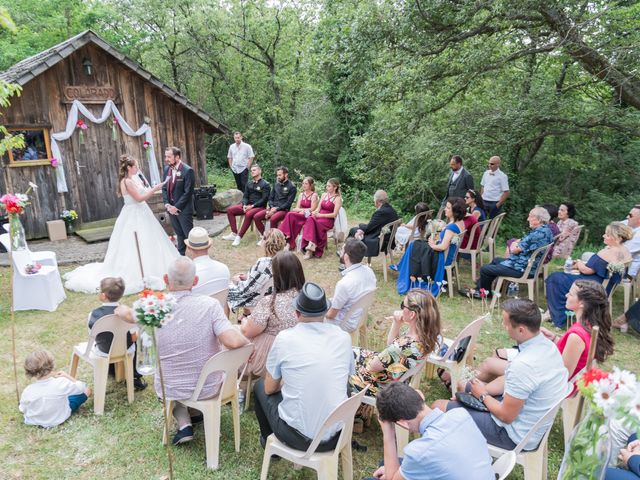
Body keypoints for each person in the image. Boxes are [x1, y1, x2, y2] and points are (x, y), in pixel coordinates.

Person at [432, 299, 569, 451]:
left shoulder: (523, 365)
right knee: (464, 386)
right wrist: (472, 393)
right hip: (527, 423)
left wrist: (482, 396)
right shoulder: (549, 347)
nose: (504, 327)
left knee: (438, 407)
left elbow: (506, 416)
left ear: (521, 330)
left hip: (512, 435)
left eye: (506, 323)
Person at [144, 257, 249, 445]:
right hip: (208, 387)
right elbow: (232, 341)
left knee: (170, 384)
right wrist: (247, 342)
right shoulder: (209, 305)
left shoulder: (154, 307)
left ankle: (184, 421)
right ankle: (193, 413)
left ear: (166, 279)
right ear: (195, 281)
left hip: (171, 387)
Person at [253, 282, 354, 452]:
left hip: (298, 438)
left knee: (260, 387)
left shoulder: (285, 338)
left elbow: (270, 389)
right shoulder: (343, 337)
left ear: (297, 313)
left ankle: (268, 440)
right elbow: (345, 377)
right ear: (324, 312)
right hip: (337, 435)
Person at [64, 155, 179, 294]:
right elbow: (139, 199)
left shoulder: (132, 180)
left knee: (148, 241)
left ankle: (152, 266)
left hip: (140, 213)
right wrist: (156, 188)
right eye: (135, 166)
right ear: (129, 168)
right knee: (135, 243)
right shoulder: (127, 182)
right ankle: (138, 271)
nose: (137, 168)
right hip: (135, 214)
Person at [474, 280, 614, 393]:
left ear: (581, 303)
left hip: (548, 379)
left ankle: (473, 388)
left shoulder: (577, 336)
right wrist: (555, 339)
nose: (566, 295)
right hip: (548, 367)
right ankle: (486, 388)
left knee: (489, 363)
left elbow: (562, 375)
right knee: (499, 354)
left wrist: (534, 363)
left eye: (571, 294)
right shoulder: (588, 326)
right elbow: (575, 354)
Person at [363, 382, 495, 480]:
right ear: (420, 396)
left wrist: (388, 433)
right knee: (389, 463)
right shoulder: (460, 414)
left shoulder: (419, 452)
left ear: (402, 423)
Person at [350, 289, 441, 397]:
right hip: (395, 381)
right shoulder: (425, 337)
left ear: (412, 314)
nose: (401, 308)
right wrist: (396, 323)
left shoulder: (404, 345)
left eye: (403, 305)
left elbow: (372, 367)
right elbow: (392, 348)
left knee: (339, 364)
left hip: (377, 385)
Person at [545, 222, 633, 328]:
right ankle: (561, 312)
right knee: (561, 277)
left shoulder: (607, 253)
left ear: (618, 238)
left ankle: (559, 318)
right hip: (606, 287)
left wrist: (578, 262)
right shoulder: (626, 251)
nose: (603, 236)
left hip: (592, 286)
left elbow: (586, 270)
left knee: (555, 278)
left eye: (607, 235)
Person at [463, 206, 554, 299]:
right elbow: (523, 242)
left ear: (538, 220)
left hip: (521, 269)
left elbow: (514, 250)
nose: (527, 219)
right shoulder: (546, 230)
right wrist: (517, 243)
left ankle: (484, 294)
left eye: (530, 216)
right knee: (496, 260)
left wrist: (514, 243)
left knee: (485, 269)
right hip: (527, 266)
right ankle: (480, 289)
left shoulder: (537, 234)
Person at [240, 251, 304, 377]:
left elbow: (249, 331)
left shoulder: (270, 302)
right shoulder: (307, 298)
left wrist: (244, 321)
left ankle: (237, 387)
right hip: (300, 352)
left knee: (234, 337)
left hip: (272, 356)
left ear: (277, 275)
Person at [397, 197, 466, 297]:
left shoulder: (451, 227)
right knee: (418, 244)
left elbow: (442, 247)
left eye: (448, 208)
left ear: (455, 211)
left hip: (442, 257)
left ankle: (408, 275)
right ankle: (407, 271)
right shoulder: (460, 222)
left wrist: (433, 245)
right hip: (449, 254)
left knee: (414, 246)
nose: (445, 209)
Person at [88, 277, 147, 391]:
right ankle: (134, 377)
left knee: (105, 342)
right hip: (126, 350)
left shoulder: (93, 314)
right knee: (136, 343)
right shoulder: (128, 315)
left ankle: (111, 370)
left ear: (103, 296)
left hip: (103, 351)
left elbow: (92, 336)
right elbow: (134, 337)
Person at [19, 350, 91, 428]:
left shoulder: (28, 390)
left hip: (34, 421)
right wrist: (67, 376)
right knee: (87, 390)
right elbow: (81, 388)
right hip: (58, 418)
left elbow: (23, 409)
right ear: (52, 366)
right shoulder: (61, 382)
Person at [227, 229, 287, 314]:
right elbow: (265, 279)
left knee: (226, 291)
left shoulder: (263, 262)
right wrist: (248, 278)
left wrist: (237, 281)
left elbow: (248, 289)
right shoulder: (285, 260)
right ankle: (245, 316)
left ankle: (225, 325)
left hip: (260, 299)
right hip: (274, 296)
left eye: (263, 238)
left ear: (266, 243)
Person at [325, 239, 377, 333]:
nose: (340, 251)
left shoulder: (345, 283)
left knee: (311, 317)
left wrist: (317, 314)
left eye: (342, 249)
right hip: (360, 314)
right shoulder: (369, 271)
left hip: (346, 323)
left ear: (346, 257)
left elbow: (331, 315)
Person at [223, 164, 271, 247]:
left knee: (249, 214)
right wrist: (244, 204)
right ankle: (234, 233)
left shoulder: (265, 184)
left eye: (254, 170)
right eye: (251, 170)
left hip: (259, 207)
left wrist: (252, 206)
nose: (252, 172)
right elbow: (245, 196)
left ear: (260, 171)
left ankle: (239, 237)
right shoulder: (249, 183)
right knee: (230, 210)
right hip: (247, 206)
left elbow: (264, 199)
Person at [162, 146, 195, 256]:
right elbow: (164, 188)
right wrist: (167, 204)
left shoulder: (187, 170)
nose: (166, 159)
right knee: (179, 233)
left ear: (177, 157)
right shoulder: (167, 169)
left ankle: (197, 256)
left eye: (169, 156)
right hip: (171, 209)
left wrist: (176, 207)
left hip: (184, 209)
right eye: (166, 156)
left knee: (189, 234)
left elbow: (188, 192)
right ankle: (180, 255)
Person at [347, 190, 399, 258]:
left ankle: (347, 253)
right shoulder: (391, 210)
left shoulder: (380, 212)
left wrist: (359, 226)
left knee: (353, 230)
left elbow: (368, 228)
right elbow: (378, 227)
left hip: (379, 242)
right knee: (358, 231)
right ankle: (348, 252)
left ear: (377, 201)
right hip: (388, 240)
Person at [300, 178, 342, 259]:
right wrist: (315, 212)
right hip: (319, 216)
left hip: (328, 220)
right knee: (310, 218)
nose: (327, 187)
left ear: (335, 187)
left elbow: (334, 214)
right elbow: (318, 208)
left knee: (313, 222)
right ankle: (311, 246)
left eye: (329, 186)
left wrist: (320, 215)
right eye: (327, 186)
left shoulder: (338, 199)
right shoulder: (324, 195)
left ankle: (309, 249)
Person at [252, 166, 297, 242]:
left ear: (286, 175)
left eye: (280, 175)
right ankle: (265, 236)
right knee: (256, 216)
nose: (278, 177)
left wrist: (276, 209)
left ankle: (274, 240)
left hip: (283, 210)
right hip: (272, 208)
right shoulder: (276, 184)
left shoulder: (292, 187)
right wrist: (272, 207)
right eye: (277, 175)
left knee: (273, 219)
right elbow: (270, 198)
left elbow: (288, 203)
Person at [185, 227, 230, 297]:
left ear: (188, 248)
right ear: (209, 246)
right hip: (220, 307)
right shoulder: (224, 268)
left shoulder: (188, 275)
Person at [278, 176, 320, 250]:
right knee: (291, 215)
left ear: (311, 185)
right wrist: (300, 210)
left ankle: (285, 234)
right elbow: (297, 207)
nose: (303, 185)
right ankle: (288, 241)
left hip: (308, 216)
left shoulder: (314, 195)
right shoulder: (301, 194)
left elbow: (313, 208)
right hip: (300, 215)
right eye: (303, 183)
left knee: (290, 214)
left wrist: (302, 210)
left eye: (306, 184)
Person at [622, 204, 640, 278]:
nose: (627, 217)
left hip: (627, 272)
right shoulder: (633, 226)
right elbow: (614, 226)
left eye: (630, 215)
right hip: (620, 264)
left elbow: (622, 254)